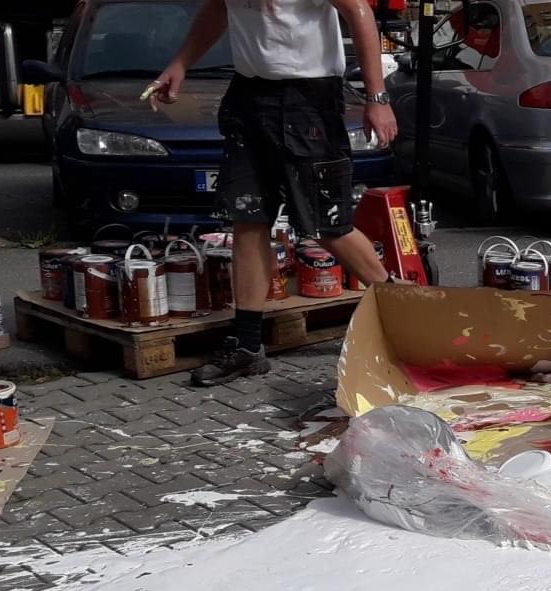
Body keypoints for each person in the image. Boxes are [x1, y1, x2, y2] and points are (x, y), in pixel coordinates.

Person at [151, 0, 398, 387]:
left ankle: (403, 312)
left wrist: (376, 98)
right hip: (249, 97)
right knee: (248, 218)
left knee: (325, 223)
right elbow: (217, 10)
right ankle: (248, 346)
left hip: (309, 101)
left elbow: (359, 12)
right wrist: (180, 64)